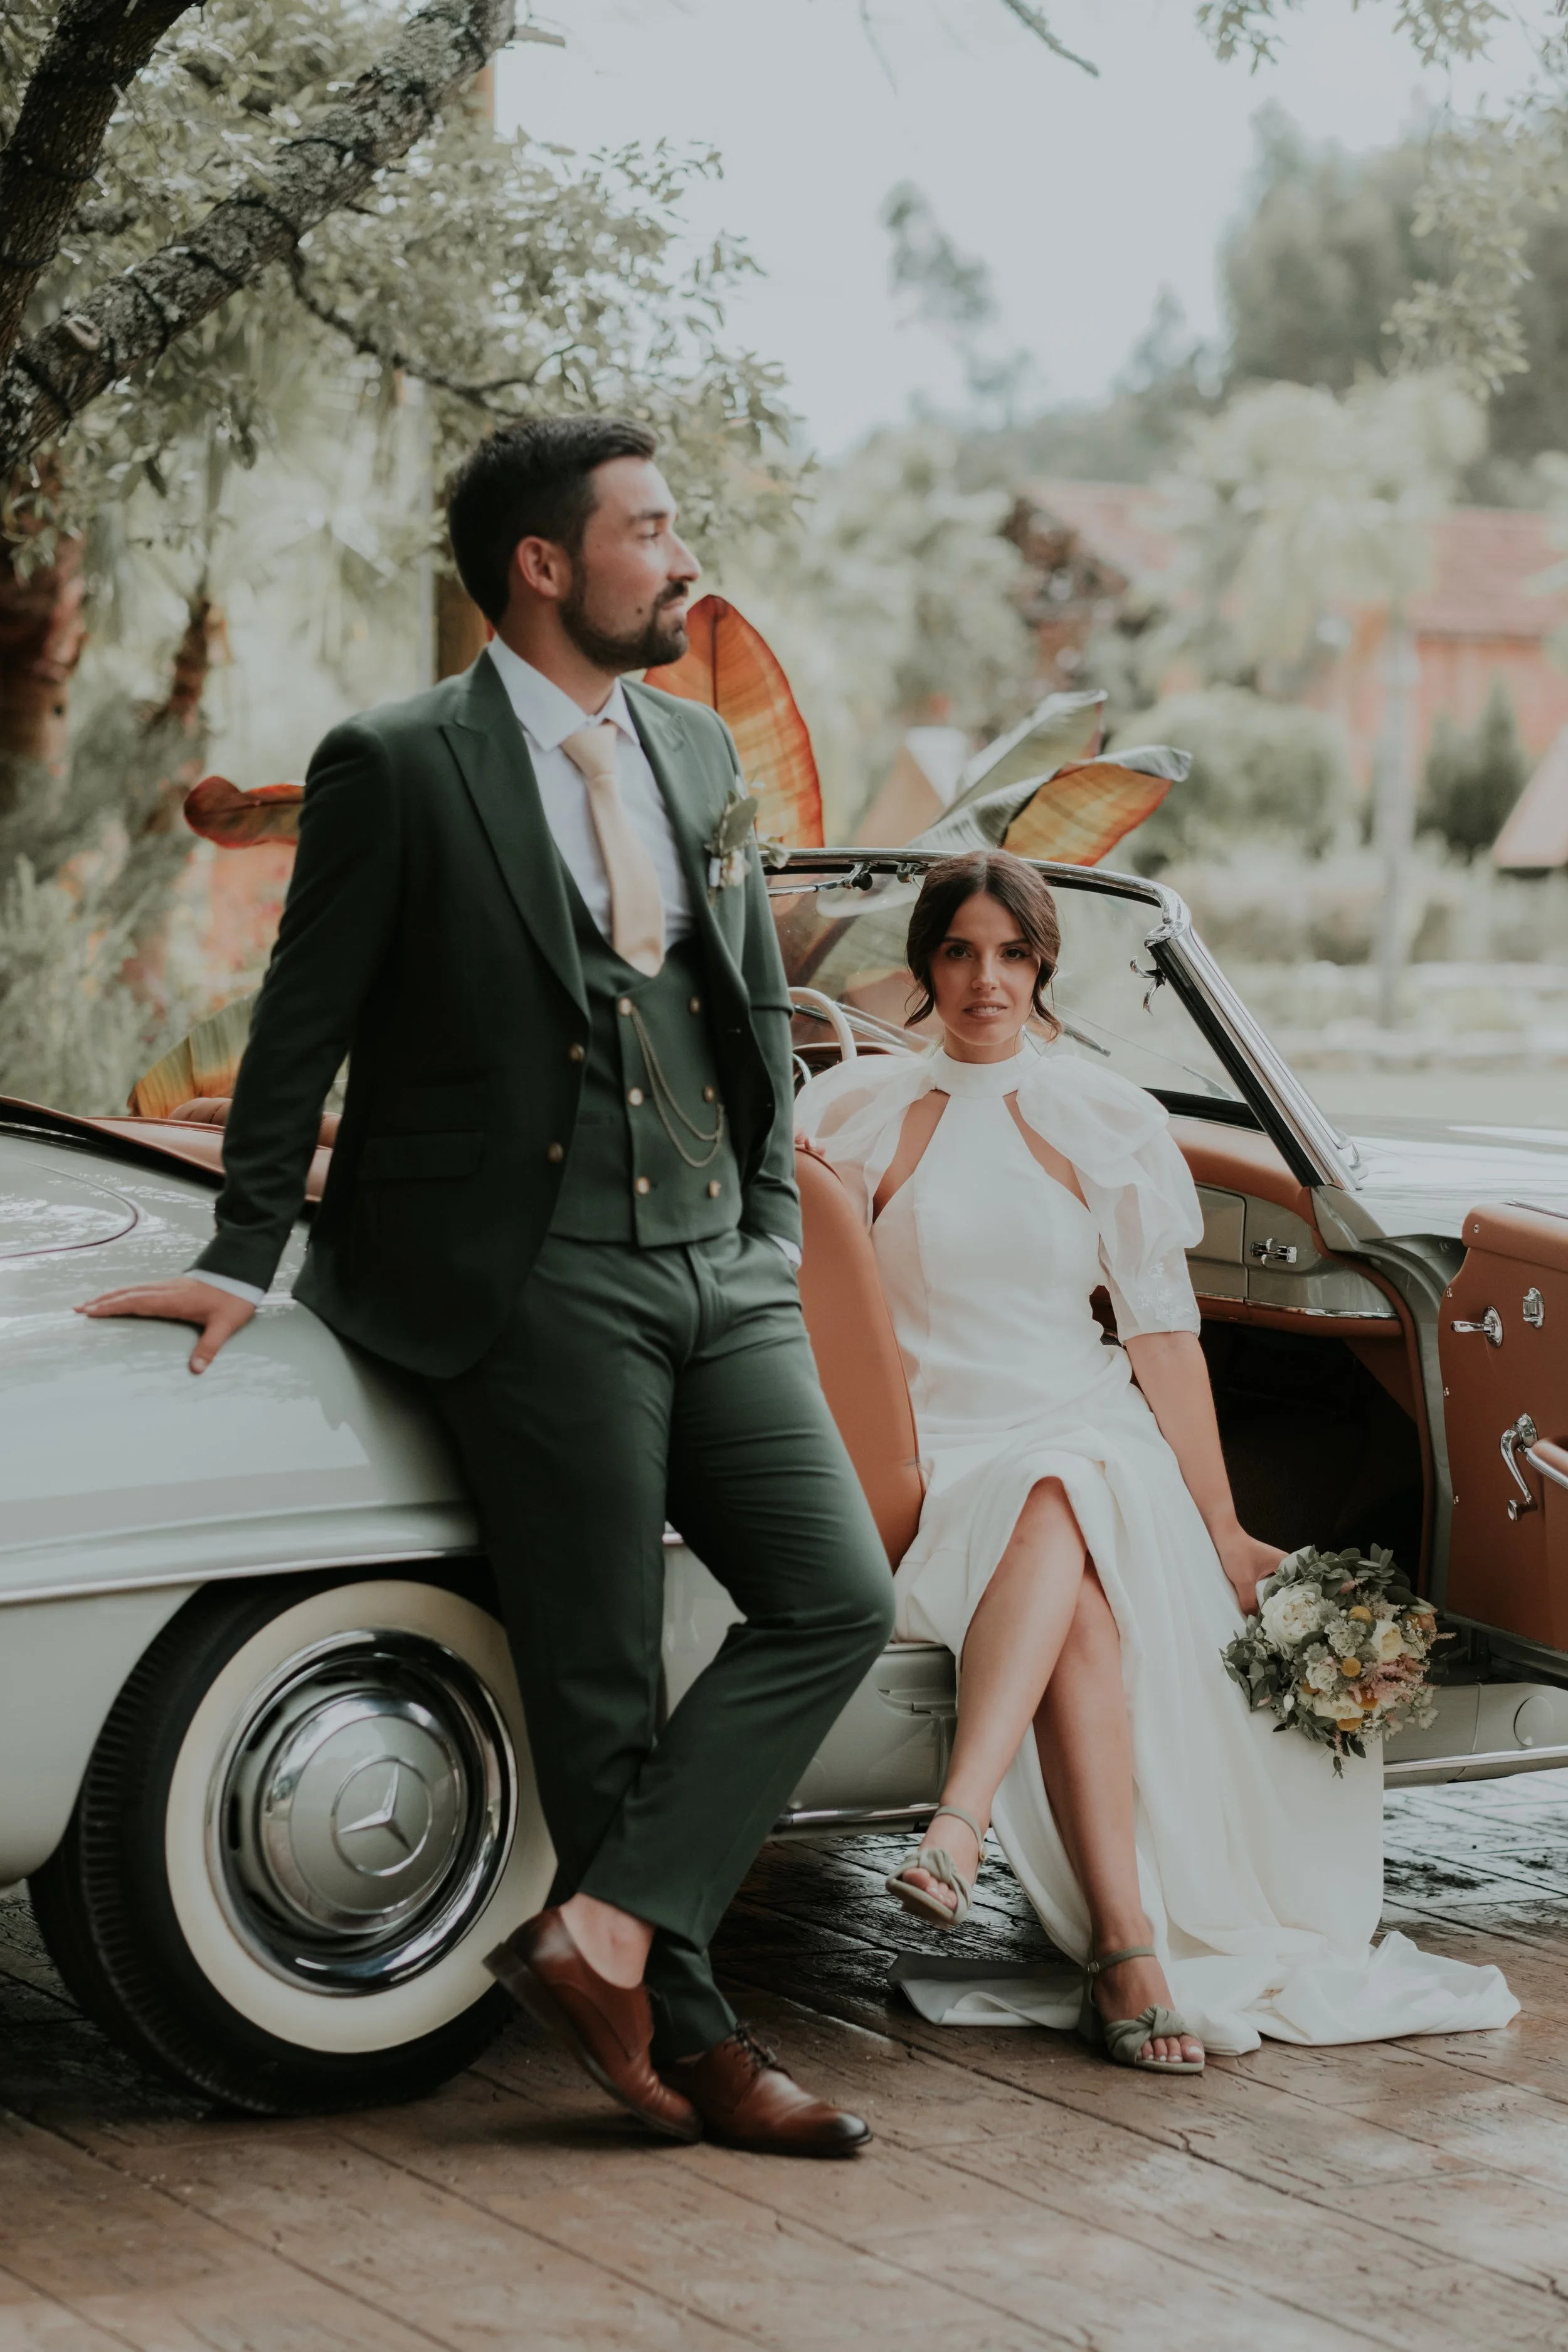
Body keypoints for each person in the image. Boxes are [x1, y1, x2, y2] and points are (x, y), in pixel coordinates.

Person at [78, 415, 896, 2156]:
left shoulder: (694, 746)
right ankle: (698, 2045)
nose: (684, 561)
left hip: (716, 1255)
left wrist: (763, 1214)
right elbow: (299, 1027)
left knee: (835, 1594)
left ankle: (604, 1930)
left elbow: (747, 1001)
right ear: (542, 563)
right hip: (527, 1272)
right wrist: (238, 1258)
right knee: (597, 1676)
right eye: (649, 529)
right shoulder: (398, 762)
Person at [795, 850, 1517, 2070]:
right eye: (959, 952)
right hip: (941, 1447)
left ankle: (976, 1837)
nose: (985, 980)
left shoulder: (1101, 1118)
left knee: (1062, 1485)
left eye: (1011, 954)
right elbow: (825, 1313)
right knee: (1071, 1582)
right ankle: (1118, 1950)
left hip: (1085, 1422)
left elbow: (1162, 1339)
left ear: (1042, 968)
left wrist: (1222, 1529)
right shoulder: (857, 1114)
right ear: (925, 965)